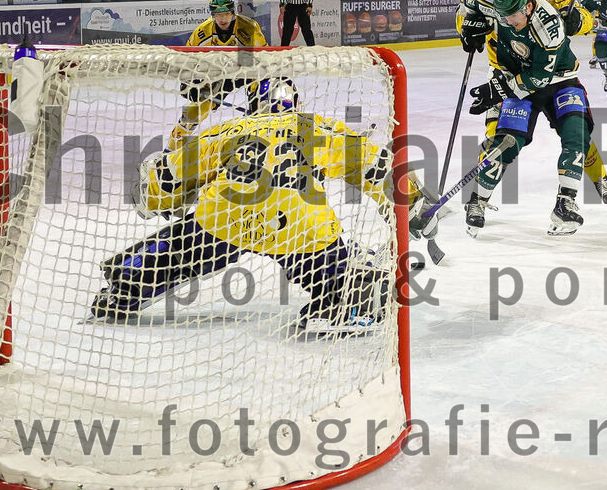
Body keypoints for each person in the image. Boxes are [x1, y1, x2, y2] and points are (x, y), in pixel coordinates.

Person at [92, 80, 394, 337]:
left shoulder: (228, 130)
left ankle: (126, 286)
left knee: (181, 249)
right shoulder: (317, 127)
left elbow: (165, 180)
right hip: (300, 225)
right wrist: (414, 207)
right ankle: (342, 302)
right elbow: (377, 167)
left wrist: (159, 198)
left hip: (225, 218)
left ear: (252, 103)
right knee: (332, 271)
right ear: (296, 101)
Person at [457, 0, 607, 211]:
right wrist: (467, 29)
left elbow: (586, 17)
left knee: (574, 132)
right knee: (499, 136)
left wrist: (577, 19)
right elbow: (463, 13)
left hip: (552, 76)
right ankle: (479, 198)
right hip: (506, 74)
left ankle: (599, 178)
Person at [167, 0, 268, 151]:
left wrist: (254, 94)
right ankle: (170, 150)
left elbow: (264, 60)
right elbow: (187, 59)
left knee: (263, 98)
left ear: (232, 12)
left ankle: (259, 141)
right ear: (212, 15)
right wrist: (188, 81)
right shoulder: (203, 31)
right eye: (218, 14)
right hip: (218, 75)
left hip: (247, 71)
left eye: (226, 14)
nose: (222, 19)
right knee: (195, 110)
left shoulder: (249, 28)